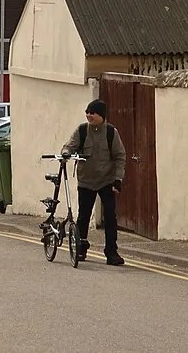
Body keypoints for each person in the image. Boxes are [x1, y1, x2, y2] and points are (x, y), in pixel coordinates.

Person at [61, 98, 127, 266]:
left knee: (110, 218)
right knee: (83, 216)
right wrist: (66, 152)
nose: (89, 115)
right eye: (87, 112)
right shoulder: (82, 131)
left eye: (92, 112)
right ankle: (81, 248)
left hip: (107, 180)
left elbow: (120, 157)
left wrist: (118, 179)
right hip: (86, 181)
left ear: (101, 115)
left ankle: (111, 252)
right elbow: (69, 146)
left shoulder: (111, 132)